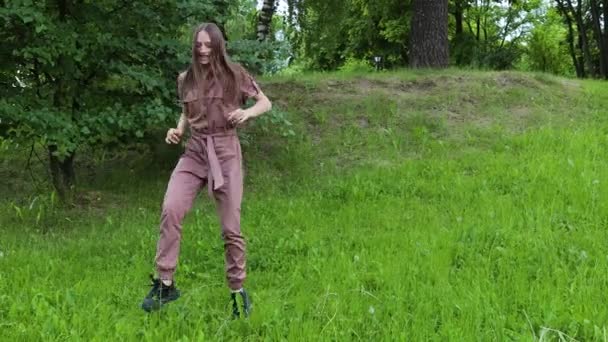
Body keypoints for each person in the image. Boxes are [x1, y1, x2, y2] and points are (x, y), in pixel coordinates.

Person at [141, 22, 272, 317]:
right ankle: (165, 283)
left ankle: (238, 293)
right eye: (198, 45)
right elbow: (187, 113)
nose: (202, 50)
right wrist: (177, 129)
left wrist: (247, 113)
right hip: (195, 150)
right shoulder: (185, 79)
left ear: (217, 46)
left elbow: (265, 102)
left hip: (225, 151)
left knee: (230, 228)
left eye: (208, 45)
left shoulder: (235, 74)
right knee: (171, 208)